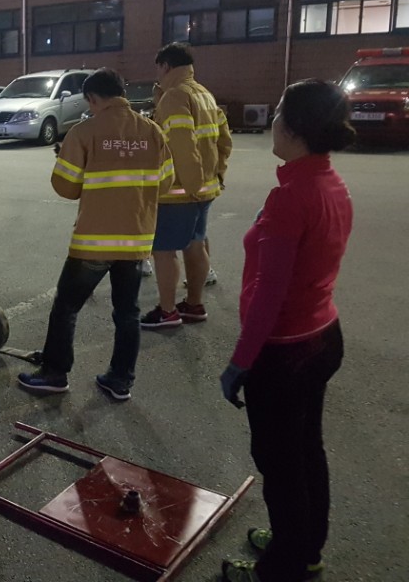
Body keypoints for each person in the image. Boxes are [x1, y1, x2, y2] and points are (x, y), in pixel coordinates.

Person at [219, 80, 355, 582]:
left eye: (278, 113)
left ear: (294, 129)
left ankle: (283, 568)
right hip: (323, 336)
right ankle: (303, 547)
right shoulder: (330, 183)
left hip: (286, 353)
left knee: (279, 462)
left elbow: (270, 295)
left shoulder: (291, 197)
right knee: (305, 451)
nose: (272, 121)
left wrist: (241, 361)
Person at [17, 69, 173, 401]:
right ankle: (120, 380)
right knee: (127, 312)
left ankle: (55, 373)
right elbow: (166, 183)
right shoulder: (152, 131)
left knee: (66, 306)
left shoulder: (83, 132)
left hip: (93, 243)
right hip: (136, 241)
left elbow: (66, 187)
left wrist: (68, 160)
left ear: (92, 98)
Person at [141, 42, 231, 329]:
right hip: (204, 189)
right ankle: (194, 304)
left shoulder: (175, 96)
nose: (157, 75)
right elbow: (224, 140)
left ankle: (167, 311)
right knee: (195, 244)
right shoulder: (204, 94)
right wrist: (215, 176)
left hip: (179, 191)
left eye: (158, 69)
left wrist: (191, 185)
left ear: (165, 66)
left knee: (164, 250)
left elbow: (182, 144)